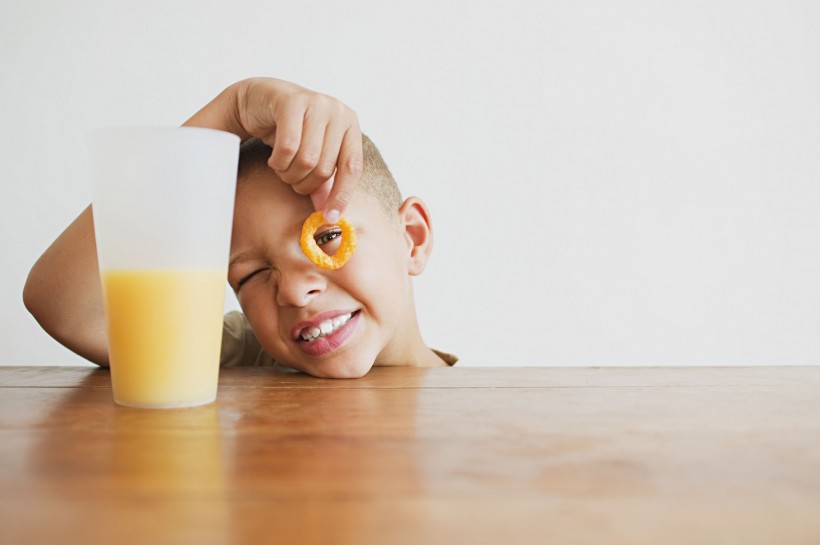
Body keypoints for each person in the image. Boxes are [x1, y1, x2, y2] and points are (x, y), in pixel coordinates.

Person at [23, 77, 456, 378]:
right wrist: (231, 109)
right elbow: (63, 307)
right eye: (249, 275)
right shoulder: (246, 354)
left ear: (412, 238)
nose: (290, 292)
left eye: (326, 237)